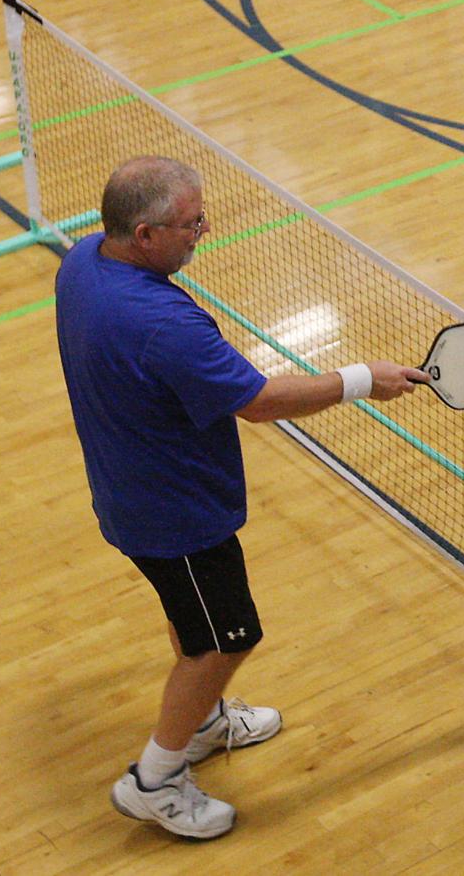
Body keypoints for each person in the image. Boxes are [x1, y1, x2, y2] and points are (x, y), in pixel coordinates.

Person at [55, 156, 429, 840]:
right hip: (176, 515)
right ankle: (155, 779)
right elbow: (257, 401)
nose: (203, 231)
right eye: (190, 223)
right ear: (143, 234)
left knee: (193, 623)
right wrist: (359, 379)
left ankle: (200, 721)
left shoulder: (82, 261)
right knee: (224, 642)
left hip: (129, 488)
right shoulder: (164, 325)